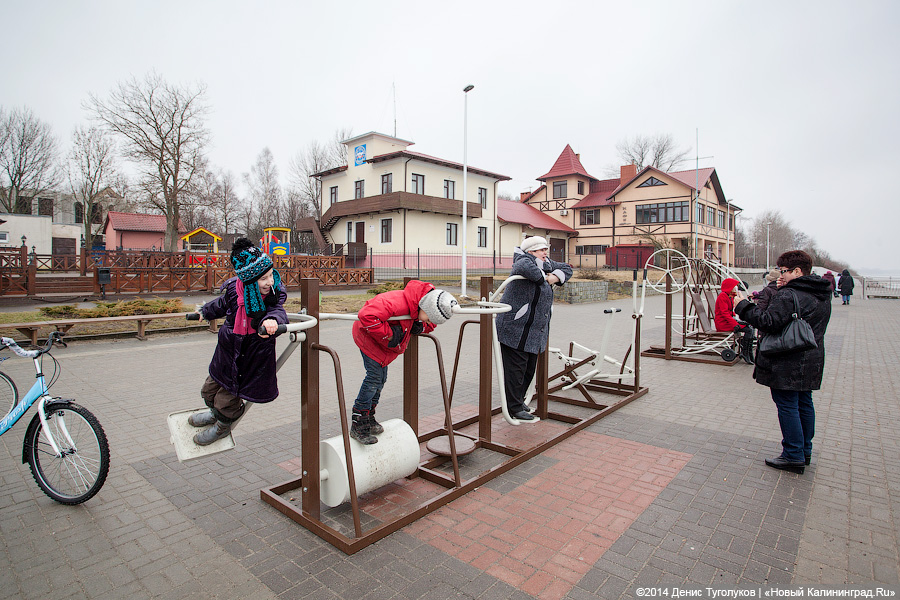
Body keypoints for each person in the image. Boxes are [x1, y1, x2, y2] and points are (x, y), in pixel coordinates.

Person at [733, 250, 832, 473]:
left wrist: (743, 306)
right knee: (804, 403)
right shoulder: (821, 293)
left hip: (788, 359)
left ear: (798, 271)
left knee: (787, 405)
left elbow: (768, 321)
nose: (781, 275)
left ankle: (792, 454)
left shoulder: (790, 295)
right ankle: (804, 451)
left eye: (784, 271)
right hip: (812, 357)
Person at [189, 238, 288, 446]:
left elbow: (277, 312)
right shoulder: (235, 290)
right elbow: (221, 304)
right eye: (264, 279)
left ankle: (223, 426)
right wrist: (204, 312)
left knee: (227, 399)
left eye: (271, 275)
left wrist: (272, 321)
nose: (270, 282)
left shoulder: (271, 297)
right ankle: (213, 413)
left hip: (248, 360)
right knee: (208, 390)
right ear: (249, 281)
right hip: (226, 354)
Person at [350, 280, 457, 444]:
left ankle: (369, 416)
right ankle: (358, 422)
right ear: (426, 308)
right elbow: (367, 315)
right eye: (428, 319)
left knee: (380, 379)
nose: (429, 322)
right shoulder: (396, 303)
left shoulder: (419, 308)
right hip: (368, 340)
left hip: (382, 346)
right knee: (373, 378)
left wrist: (420, 326)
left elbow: (429, 322)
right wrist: (391, 335)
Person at [495, 236, 573, 421]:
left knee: (529, 368)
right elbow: (532, 273)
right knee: (516, 370)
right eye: (540, 250)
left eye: (545, 249)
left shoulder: (543, 262)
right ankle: (513, 407)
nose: (545, 253)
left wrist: (554, 276)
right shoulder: (524, 261)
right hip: (516, 328)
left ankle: (519, 401)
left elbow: (567, 268)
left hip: (532, 330)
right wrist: (547, 276)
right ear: (530, 252)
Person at [714, 278, 754, 364]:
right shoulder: (723, 296)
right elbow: (724, 313)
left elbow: (731, 311)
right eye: (734, 286)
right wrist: (735, 323)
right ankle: (745, 352)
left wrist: (737, 320)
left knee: (749, 327)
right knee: (748, 329)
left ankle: (747, 352)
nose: (735, 288)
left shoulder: (729, 295)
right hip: (723, 323)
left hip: (727, 321)